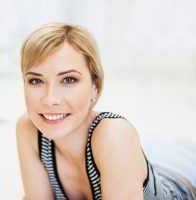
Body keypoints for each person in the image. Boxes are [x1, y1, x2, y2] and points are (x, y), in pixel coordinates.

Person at [15, 22, 196, 200]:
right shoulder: (29, 128)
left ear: (96, 86)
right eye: (36, 81)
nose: (50, 99)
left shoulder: (114, 135)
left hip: (182, 179)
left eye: (69, 80)